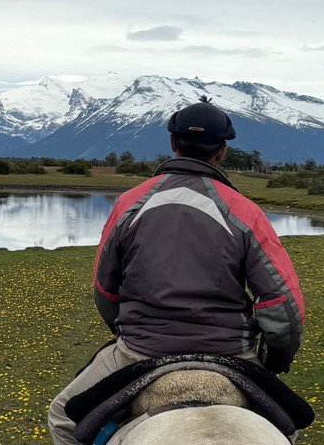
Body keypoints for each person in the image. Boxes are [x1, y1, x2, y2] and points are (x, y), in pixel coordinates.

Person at [47, 97, 305, 445]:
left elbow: (105, 289)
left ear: (172, 143)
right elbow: (280, 302)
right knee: (289, 427)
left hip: (140, 350)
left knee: (63, 418)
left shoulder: (129, 204)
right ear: (222, 151)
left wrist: (130, 330)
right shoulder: (246, 212)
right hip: (230, 350)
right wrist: (275, 358)